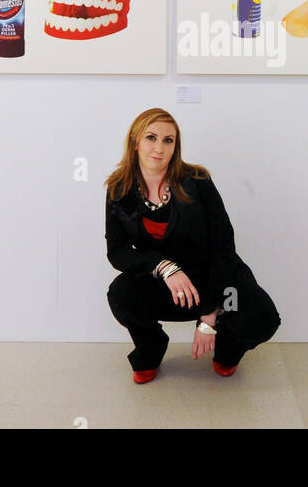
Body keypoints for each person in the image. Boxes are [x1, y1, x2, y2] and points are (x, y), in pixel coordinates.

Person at [105, 108, 280, 384]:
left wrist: (209, 317)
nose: (159, 148)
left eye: (168, 140)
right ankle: (151, 348)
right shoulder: (119, 189)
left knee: (262, 317)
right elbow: (117, 251)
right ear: (135, 142)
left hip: (218, 282)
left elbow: (224, 247)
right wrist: (165, 268)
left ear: (176, 146)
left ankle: (227, 348)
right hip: (169, 287)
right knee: (121, 294)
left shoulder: (197, 181)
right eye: (151, 137)